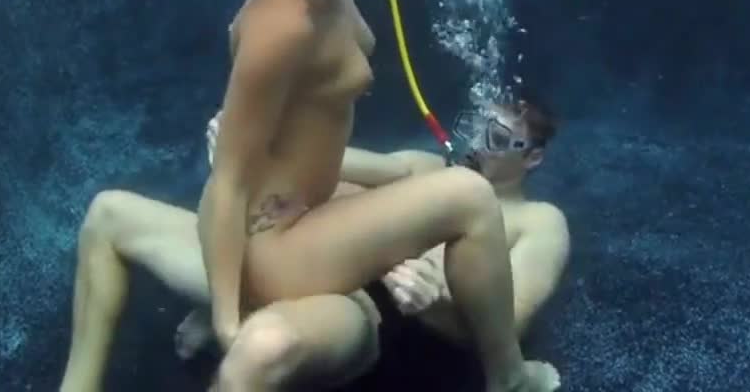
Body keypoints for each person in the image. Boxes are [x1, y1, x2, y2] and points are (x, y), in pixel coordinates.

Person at [190, 0, 556, 392]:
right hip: (276, 249)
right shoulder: (287, 19)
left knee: (428, 178)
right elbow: (226, 181)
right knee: (468, 194)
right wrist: (228, 320)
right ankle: (510, 377)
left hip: (299, 217)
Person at [58, 100, 570, 391]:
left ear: (533, 158)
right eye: (475, 128)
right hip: (297, 265)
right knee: (109, 214)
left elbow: (506, 326)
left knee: (260, 348)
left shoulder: (540, 222)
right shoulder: (426, 166)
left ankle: (240, 311)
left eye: (496, 138)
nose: (477, 145)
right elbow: (343, 167)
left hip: (361, 310)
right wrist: (257, 148)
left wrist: (434, 304)